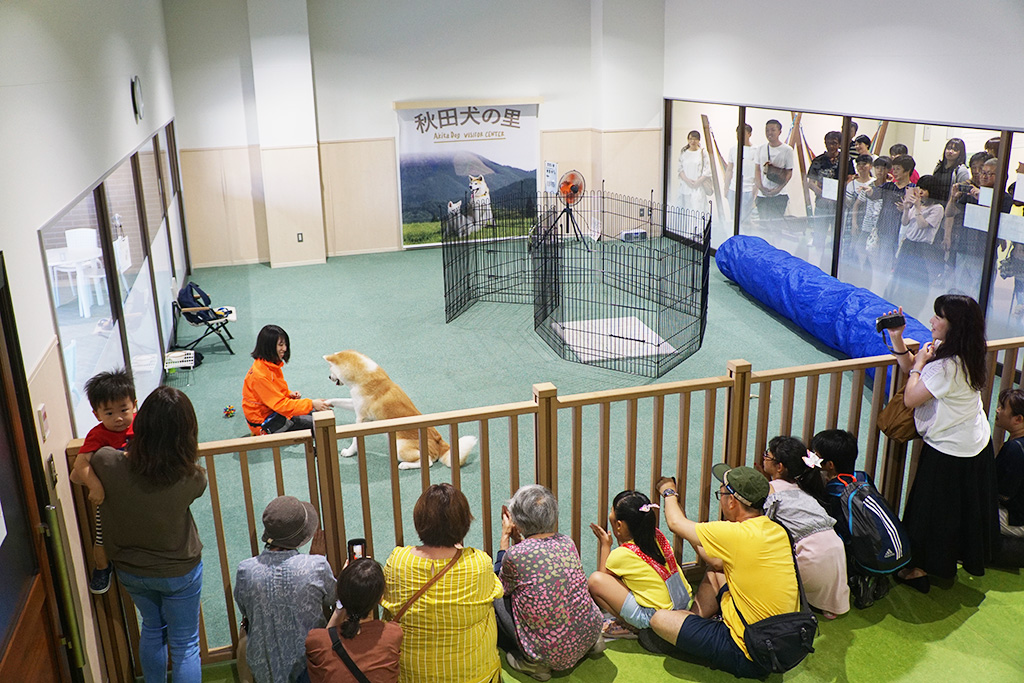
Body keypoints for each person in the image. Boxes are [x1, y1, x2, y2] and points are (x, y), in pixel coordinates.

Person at [90, 386, 207, 683]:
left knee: (152, 629)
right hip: (179, 568)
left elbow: (84, 466)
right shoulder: (193, 478)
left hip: (131, 569)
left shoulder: (106, 462)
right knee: (185, 645)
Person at [642, 466, 799, 679]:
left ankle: (694, 641)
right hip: (781, 639)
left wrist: (668, 491)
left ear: (732, 502)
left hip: (750, 652)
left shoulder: (736, 534)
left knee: (658, 619)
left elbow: (675, 523)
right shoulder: (775, 529)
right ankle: (693, 623)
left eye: (722, 494)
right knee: (717, 572)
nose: (721, 499)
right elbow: (716, 561)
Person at [886, 295, 998, 592]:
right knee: (960, 512)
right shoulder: (969, 353)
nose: (932, 321)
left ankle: (917, 568)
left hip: (949, 450)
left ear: (955, 326)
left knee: (931, 515)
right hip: (975, 444)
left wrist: (918, 363)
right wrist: (899, 342)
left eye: (939, 317)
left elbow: (912, 396)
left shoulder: (948, 364)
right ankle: (957, 560)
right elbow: (923, 378)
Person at [381, 483, 503, 683]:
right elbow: (497, 590)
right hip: (476, 676)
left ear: (419, 520)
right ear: (464, 522)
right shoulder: (479, 562)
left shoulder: (398, 561)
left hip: (411, 676)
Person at [495, 485, 603, 680]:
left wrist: (505, 540)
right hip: (592, 630)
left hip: (549, 653)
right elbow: (537, 563)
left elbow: (501, 587)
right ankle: (590, 644)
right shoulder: (566, 542)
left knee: (496, 598)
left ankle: (534, 664)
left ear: (517, 520)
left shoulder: (514, 555)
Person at [235, 496, 335, 683]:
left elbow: (246, 611)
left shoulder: (245, 570)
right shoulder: (316, 565)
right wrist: (315, 559)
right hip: (311, 669)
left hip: (264, 673)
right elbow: (335, 600)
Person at [759, 436, 850, 619]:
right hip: (838, 559)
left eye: (767, 456)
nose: (763, 458)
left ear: (779, 467)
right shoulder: (805, 492)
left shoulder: (771, 491)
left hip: (812, 563)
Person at [811, 429, 903, 609]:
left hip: (860, 551)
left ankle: (858, 578)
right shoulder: (862, 477)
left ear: (829, 465)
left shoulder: (834, 492)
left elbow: (839, 528)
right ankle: (877, 576)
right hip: (885, 545)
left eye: (817, 456)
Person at [69, 368, 137, 595]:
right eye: (108, 413)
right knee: (101, 537)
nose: (118, 418)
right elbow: (80, 466)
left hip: (137, 494)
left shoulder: (141, 425)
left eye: (123, 410)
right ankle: (101, 568)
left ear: (134, 405)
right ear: (97, 414)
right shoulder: (97, 435)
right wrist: (95, 486)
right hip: (108, 498)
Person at [588, 490, 691, 639]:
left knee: (595, 580)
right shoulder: (657, 536)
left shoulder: (621, 555)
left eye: (612, 511)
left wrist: (605, 545)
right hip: (682, 604)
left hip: (655, 618)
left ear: (619, 525)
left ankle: (633, 627)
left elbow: (603, 580)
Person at [305, 558, 402, 683]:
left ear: (339, 592)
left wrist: (341, 603)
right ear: (380, 598)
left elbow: (327, 646)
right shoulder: (392, 635)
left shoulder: (316, 641)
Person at [243, 324, 331, 435]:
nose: (284, 349)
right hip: (266, 422)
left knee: (322, 414)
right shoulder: (260, 375)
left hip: (274, 411)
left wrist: (289, 394)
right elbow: (281, 405)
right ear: (269, 346)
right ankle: (317, 452)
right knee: (319, 425)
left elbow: (272, 394)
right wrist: (312, 403)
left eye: (285, 344)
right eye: (280, 345)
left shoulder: (269, 365)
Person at [943, 151, 992, 294]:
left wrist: (982, 197)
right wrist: (953, 198)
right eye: (973, 167)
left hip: (982, 250)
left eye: (981, 168)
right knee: (959, 289)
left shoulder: (995, 193)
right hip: (962, 245)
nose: (977, 172)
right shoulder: (966, 188)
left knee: (980, 292)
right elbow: (950, 213)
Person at [893, 175, 945, 311]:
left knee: (918, 279)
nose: (920, 192)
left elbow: (922, 225)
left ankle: (914, 308)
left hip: (923, 248)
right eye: (920, 188)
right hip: (908, 243)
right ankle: (899, 305)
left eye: (925, 189)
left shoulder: (937, 208)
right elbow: (905, 222)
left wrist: (917, 208)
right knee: (901, 276)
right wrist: (906, 208)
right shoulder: (918, 204)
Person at [806, 131, 854, 249]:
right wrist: (820, 192)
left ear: (839, 144)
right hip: (822, 202)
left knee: (837, 235)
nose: (831, 146)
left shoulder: (846, 159)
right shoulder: (818, 160)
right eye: (828, 143)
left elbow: (851, 177)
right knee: (819, 233)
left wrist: (839, 190)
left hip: (838, 203)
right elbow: (810, 182)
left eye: (834, 143)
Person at [993, 389, 1024, 544]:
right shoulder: (1017, 444)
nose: (998, 410)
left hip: (1017, 519)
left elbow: (1004, 494)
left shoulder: (1016, 450)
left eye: (1003, 407)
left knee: (967, 509)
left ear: (1018, 419)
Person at [753, 119, 795, 225]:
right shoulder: (760, 148)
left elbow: (789, 172)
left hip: (780, 195)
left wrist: (778, 189)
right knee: (763, 224)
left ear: (780, 132)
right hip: (762, 195)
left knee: (777, 225)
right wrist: (761, 187)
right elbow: (757, 170)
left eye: (773, 130)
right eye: (767, 130)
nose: (769, 133)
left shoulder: (787, 150)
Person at [724, 123, 755, 228]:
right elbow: (729, 169)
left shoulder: (755, 150)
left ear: (749, 134)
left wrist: (755, 193)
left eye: (742, 133)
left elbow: (758, 172)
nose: (739, 136)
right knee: (734, 219)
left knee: (746, 219)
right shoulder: (733, 149)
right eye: (737, 133)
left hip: (748, 190)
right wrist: (726, 188)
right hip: (734, 189)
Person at [676, 130, 712, 214]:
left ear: (699, 140)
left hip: (698, 188)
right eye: (690, 139)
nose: (693, 141)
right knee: (685, 212)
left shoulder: (702, 153)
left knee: (697, 212)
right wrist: (687, 181)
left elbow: (707, 170)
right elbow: (680, 169)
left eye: (695, 139)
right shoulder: (684, 153)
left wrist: (698, 182)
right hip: (685, 187)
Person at [930, 138, 969, 204]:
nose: (950, 151)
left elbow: (962, 195)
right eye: (948, 148)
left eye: (955, 150)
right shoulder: (939, 167)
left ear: (961, 153)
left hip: (950, 207)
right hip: (935, 205)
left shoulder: (961, 170)